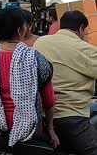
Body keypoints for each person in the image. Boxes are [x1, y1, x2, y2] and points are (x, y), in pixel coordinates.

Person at [0, 7, 58, 148]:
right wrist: (50, 129)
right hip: (28, 132)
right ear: (20, 30)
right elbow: (48, 101)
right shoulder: (35, 59)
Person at [34, 11, 97, 155]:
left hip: (42, 116)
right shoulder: (86, 49)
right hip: (72, 117)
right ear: (81, 28)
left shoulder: (40, 42)